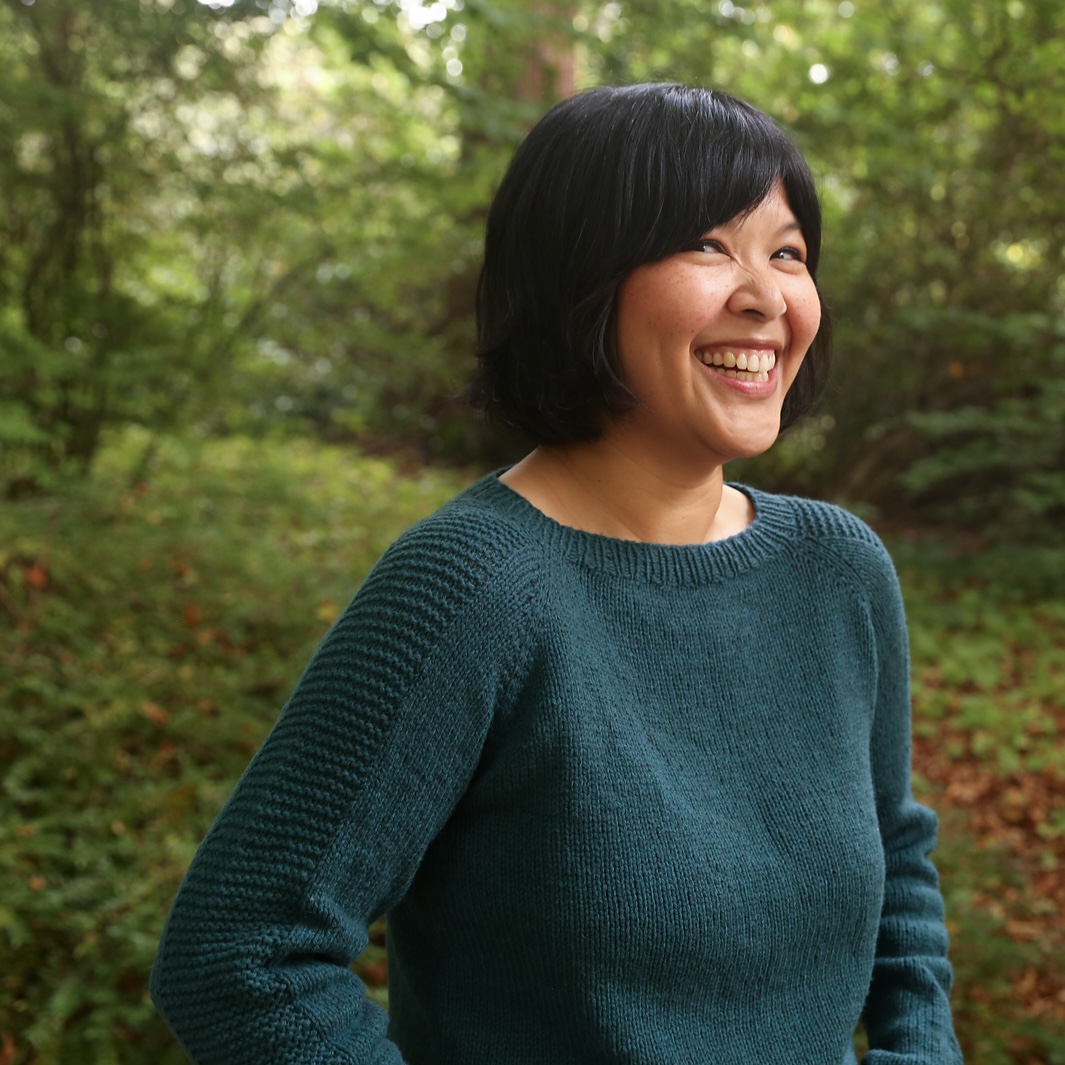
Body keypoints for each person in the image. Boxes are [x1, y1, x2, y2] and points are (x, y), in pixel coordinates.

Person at [150, 83, 962, 1064]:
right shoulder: (471, 585)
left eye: (786, 251)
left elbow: (896, 859)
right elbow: (243, 953)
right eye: (707, 244)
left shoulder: (838, 570)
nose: (766, 295)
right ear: (581, 274)